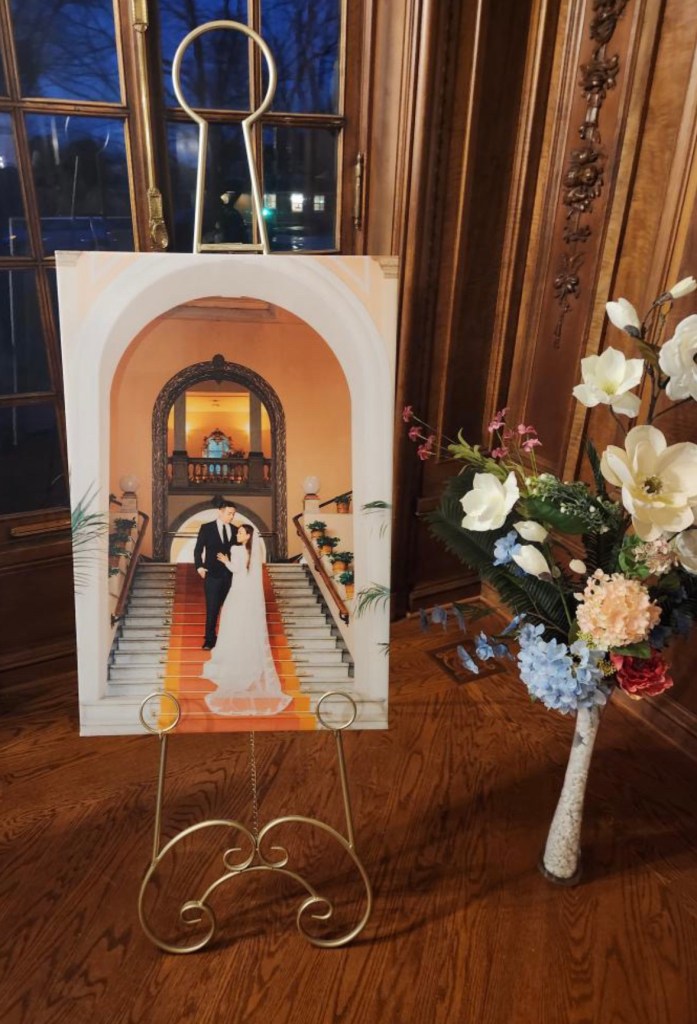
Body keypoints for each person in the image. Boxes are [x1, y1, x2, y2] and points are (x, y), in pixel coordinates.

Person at [201, 524, 292, 716]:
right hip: (248, 594)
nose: (237, 534)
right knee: (242, 624)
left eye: (241, 532)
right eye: (238, 532)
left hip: (237, 592)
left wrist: (226, 561)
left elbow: (236, 570)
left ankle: (232, 655)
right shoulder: (254, 551)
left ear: (248, 535)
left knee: (232, 623)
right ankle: (247, 655)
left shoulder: (236, 549)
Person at [194, 500, 239, 650]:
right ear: (220, 511)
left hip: (231, 576)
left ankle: (228, 640)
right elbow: (198, 549)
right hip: (212, 575)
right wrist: (199, 567)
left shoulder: (235, 530)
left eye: (233, 514)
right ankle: (209, 640)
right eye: (229, 513)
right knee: (212, 609)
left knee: (230, 610)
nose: (232, 516)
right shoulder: (207, 528)